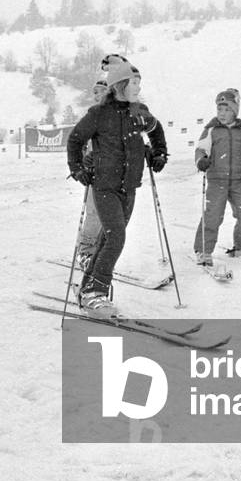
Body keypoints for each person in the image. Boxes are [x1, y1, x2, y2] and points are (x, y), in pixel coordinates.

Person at [67, 55, 167, 317]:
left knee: (107, 238)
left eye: (139, 83)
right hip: (104, 186)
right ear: (119, 85)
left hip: (129, 186)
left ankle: (88, 287)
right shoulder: (99, 114)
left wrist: (160, 154)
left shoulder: (139, 112)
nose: (138, 87)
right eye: (133, 83)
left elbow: (157, 131)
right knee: (116, 237)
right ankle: (96, 291)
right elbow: (75, 140)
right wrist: (77, 169)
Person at [193, 88, 241, 265]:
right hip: (216, 180)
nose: (222, 113)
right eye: (220, 109)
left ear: (235, 111)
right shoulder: (212, 130)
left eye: (227, 110)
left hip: (237, 182)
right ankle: (203, 250)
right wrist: (201, 160)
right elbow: (201, 149)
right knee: (213, 215)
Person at [73, 78, 109, 269]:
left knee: (108, 215)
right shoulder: (91, 116)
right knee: (94, 212)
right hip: (93, 173)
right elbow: (77, 142)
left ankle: (100, 251)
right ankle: (86, 252)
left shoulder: (116, 116)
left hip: (111, 174)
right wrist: (81, 165)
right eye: (95, 92)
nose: (98, 95)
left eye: (102, 91)